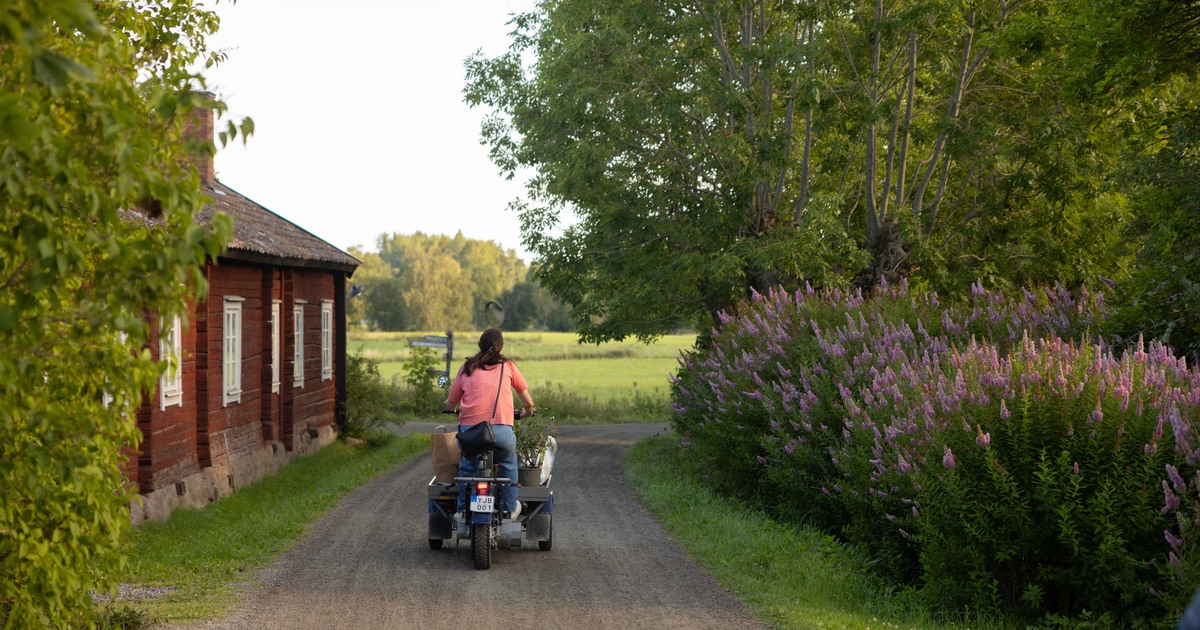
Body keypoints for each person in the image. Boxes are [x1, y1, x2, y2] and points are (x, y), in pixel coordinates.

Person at [444, 329, 535, 525]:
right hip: (500, 431)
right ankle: (510, 509)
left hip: (471, 433)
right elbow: (528, 402)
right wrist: (528, 411)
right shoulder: (508, 367)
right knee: (509, 463)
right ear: (501, 346)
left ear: (479, 345)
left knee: (468, 467)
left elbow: (451, 403)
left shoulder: (467, 368)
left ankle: (461, 510)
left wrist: (450, 407)